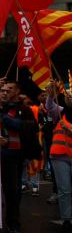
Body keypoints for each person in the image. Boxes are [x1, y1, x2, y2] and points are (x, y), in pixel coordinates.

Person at [0, 80, 40, 233]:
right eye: (4, 89)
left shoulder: (24, 109)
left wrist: (10, 121)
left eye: (9, 89)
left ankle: (13, 222)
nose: (6, 91)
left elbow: (32, 126)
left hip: (15, 156)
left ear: (17, 91)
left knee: (13, 191)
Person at [45, 81, 72, 228]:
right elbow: (49, 106)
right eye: (68, 96)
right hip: (59, 156)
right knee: (64, 189)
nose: (70, 98)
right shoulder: (61, 113)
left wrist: (68, 128)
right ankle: (66, 218)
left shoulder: (64, 120)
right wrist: (51, 93)